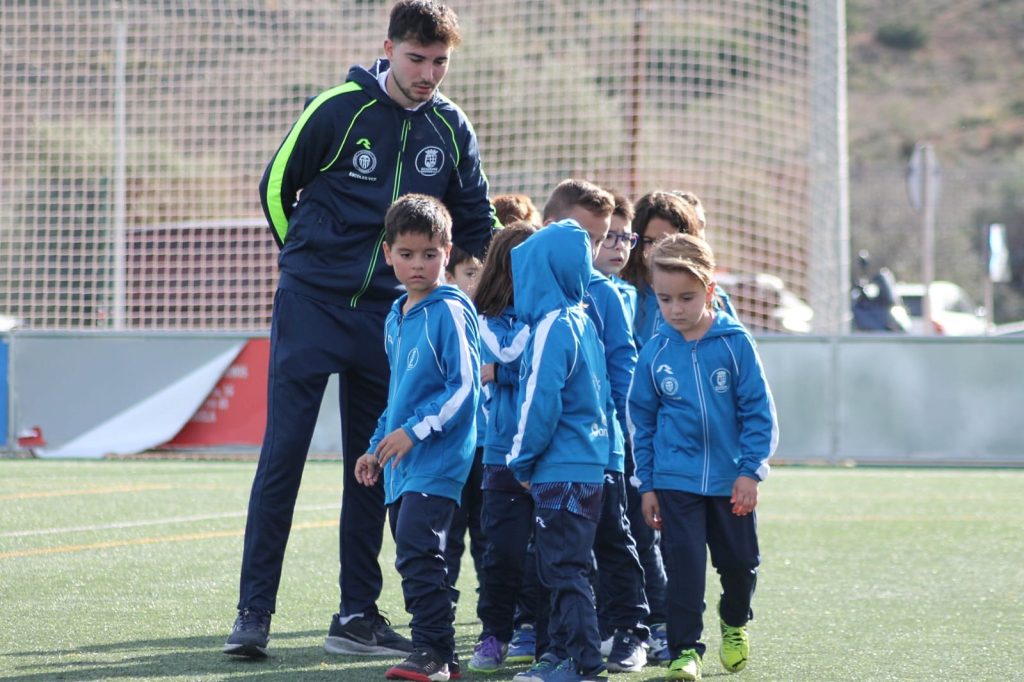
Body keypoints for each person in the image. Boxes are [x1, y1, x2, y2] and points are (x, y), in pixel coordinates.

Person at [225, 0, 497, 660]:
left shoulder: (450, 126)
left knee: (373, 464)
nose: (428, 74)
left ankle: (355, 615)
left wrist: (505, 292)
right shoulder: (337, 108)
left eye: (440, 62)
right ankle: (253, 614)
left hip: (390, 319)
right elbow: (276, 187)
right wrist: (303, 264)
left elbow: (476, 221)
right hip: (311, 307)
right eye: (417, 58)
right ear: (388, 48)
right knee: (283, 457)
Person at [626, 233, 778, 681]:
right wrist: (647, 484)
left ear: (709, 291)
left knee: (740, 564)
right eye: (665, 299)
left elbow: (758, 410)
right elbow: (642, 422)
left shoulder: (735, 343)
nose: (675, 309)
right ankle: (685, 650)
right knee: (684, 569)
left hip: (732, 481)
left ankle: (734, 621)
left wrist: (751, 471)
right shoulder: (655, 352)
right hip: (675, 480)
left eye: (686, 298)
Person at [353, 194, 481, 682]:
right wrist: (376, 446)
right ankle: (444, 658)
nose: (418, 264)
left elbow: (464, 387)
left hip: (440, 456)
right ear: (388, 254)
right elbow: (399, 395)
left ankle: (431, 651)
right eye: (406, 254)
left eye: (429, 254)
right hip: (402, 463)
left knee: (416, 548)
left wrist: (414, 432)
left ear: (447, 252)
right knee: (413, 554)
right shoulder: (395, 316)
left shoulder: (451, 310)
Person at [541, 179, 649, 673]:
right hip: (551, 452)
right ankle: (561, 639)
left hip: (601, 448)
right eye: (586, 237)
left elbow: (623, 367)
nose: (595, 248)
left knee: (613, 537)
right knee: (556, 550)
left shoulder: (603, 293)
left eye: (601, 238)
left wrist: (623, 435)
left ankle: (631, 630)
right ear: (549, 229)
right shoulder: (533, 287)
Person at [506, 220, 610, 682]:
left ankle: (582, 664)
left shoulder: (552, 326)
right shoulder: (583, 321)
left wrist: (521, 459)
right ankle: (562, 655)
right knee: (568, 568)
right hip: (586, 467)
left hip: (559, 470)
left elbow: (539, 402)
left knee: (563, 570)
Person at [466, 222, 538, 675]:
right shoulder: (485, 321)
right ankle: (495, 632)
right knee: (503, 551)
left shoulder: (556, 316)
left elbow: (548, 369)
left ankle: (535, 628)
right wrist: (506, 372)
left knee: (546, 552)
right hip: (501, 453)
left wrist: (504, 373)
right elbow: (505, 357)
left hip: (550, 453)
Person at [442, 244, 486, 619]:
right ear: (449, 277)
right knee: (448, 533)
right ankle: (441, 609)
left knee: (489, 537)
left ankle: (495, 618)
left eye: (484, 273)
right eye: (470, 273)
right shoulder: (443, 321)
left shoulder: (501, 321)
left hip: (491, 448)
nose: (479, 282)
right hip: (453, 448)